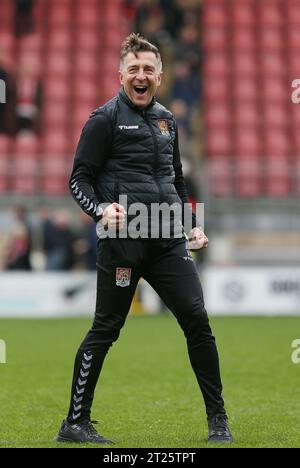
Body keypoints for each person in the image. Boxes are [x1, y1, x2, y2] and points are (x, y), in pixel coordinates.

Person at [56, 33, 233, 445]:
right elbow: (78, 179)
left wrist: (191, 223)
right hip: (123, 242)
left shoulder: (168, 119)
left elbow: (174, 180)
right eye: (133, 69)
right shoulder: (102, 119)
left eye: (148, 69)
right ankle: (74, 423)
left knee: (197, 321)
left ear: (160, 75)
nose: (141, 75)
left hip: (168, 239)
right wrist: (101, 209)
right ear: (121, 75)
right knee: (106, 328)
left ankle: (219, 421)